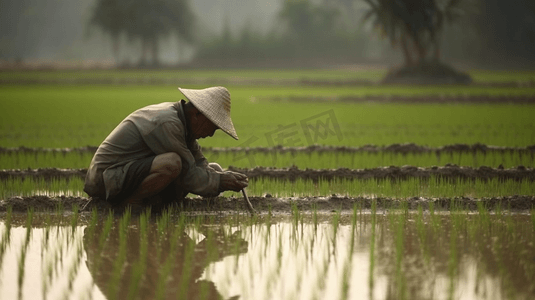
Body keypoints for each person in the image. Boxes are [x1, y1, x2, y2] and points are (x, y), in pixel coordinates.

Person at [83, 86, 248, 209]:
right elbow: (187, 173)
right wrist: (220, 182)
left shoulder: (183, 123)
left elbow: (199, 164)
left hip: (127, 175)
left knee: (214, 169)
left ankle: (157, 204)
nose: (211, 134)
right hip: (105, 179)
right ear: (198, 115)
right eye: (212, 127)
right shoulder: (168, 123)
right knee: (173, 163)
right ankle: (130, 205)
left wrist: (221, 177)